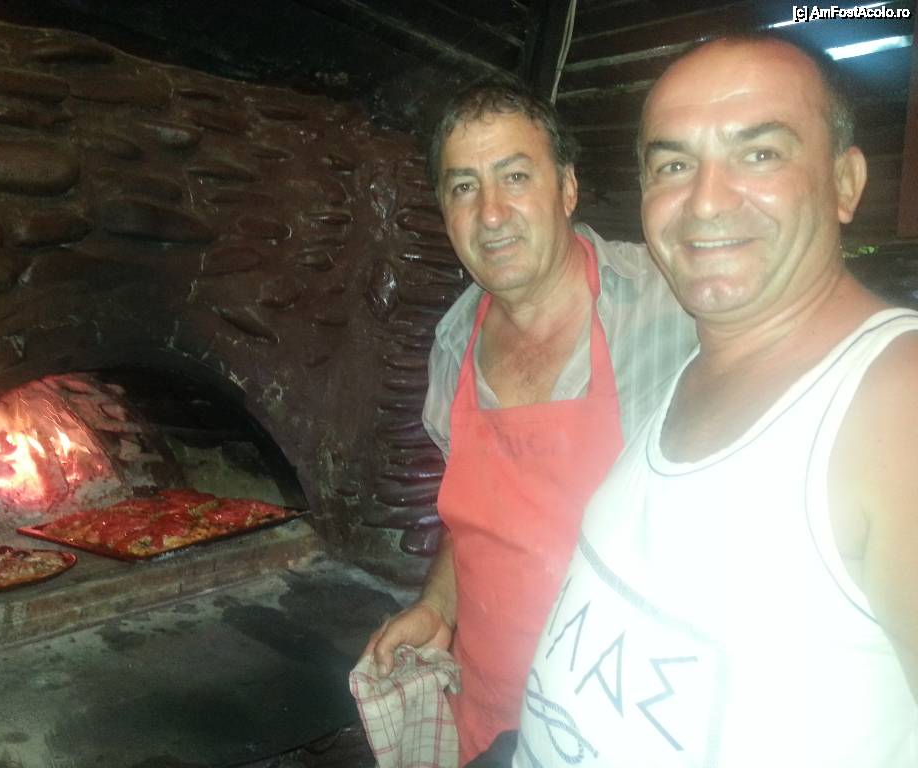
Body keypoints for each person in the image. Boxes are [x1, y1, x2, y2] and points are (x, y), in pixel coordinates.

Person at [516, 35, 918, 767]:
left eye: (759, 154)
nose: (704, 200)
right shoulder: (696, 369)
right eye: (674, 165)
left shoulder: (898, 401)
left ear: (844, 182)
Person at [361, 80, 696, 764]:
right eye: (464, 187)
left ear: (566, 188)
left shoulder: (675, 308)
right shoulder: (452, 342)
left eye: (515, 176)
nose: (491, 213)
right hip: (487, 725)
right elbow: (477, 520)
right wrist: (439, 607)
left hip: (627, 737)